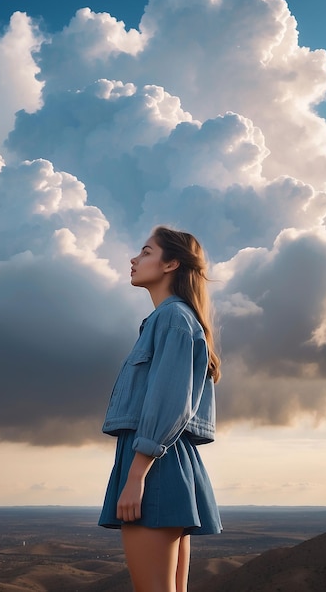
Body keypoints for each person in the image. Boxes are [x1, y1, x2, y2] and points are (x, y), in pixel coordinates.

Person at [98, 225, 222, 592]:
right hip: (163, 459)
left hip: (153, 461)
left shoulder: (172, 318)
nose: (134, 259)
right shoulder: (172, 319)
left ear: (171, 264)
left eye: (146, 251)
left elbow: (170, 402)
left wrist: (136, 476)